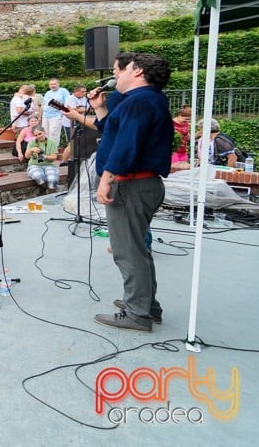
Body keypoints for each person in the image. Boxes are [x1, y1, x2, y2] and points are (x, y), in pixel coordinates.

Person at [91, 53, 172, 332]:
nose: (115, 75)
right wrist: (100, 109)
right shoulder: (148, 100)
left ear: (137, 71)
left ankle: (138, 313)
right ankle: (147, 305)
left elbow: (126, 145)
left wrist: (106, 179)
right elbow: (115, 132)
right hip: (142, 184)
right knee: (139, 248)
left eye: (118, 70)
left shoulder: (139, 101)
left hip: (131, 184)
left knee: (128, 252)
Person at [24, 124, 60, 191]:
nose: (38, 136)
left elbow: (54, 157)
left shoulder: (51, 142)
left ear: (44, 132)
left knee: (52, 179)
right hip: (34, 165)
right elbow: (26, 156)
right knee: (37, 176)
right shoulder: (32, 142)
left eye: (40, 134)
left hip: (49, 165)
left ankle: (51, 191)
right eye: (36, 135)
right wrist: (31, 150)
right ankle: (48, 190)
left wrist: (45, 156)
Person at [41, 79, 71, 146]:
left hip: (56, 116)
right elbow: (43, 105)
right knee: (45, 133)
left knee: (53, 133)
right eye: (51, 84)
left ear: (58, 84)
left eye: (54, 84)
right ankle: (46, 148)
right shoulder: (48, 93)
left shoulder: (63, 91)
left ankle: (53, 149)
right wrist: (40, 116)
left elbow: (68, 102)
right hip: (45, 116)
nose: (52, 85)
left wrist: (59, 106)